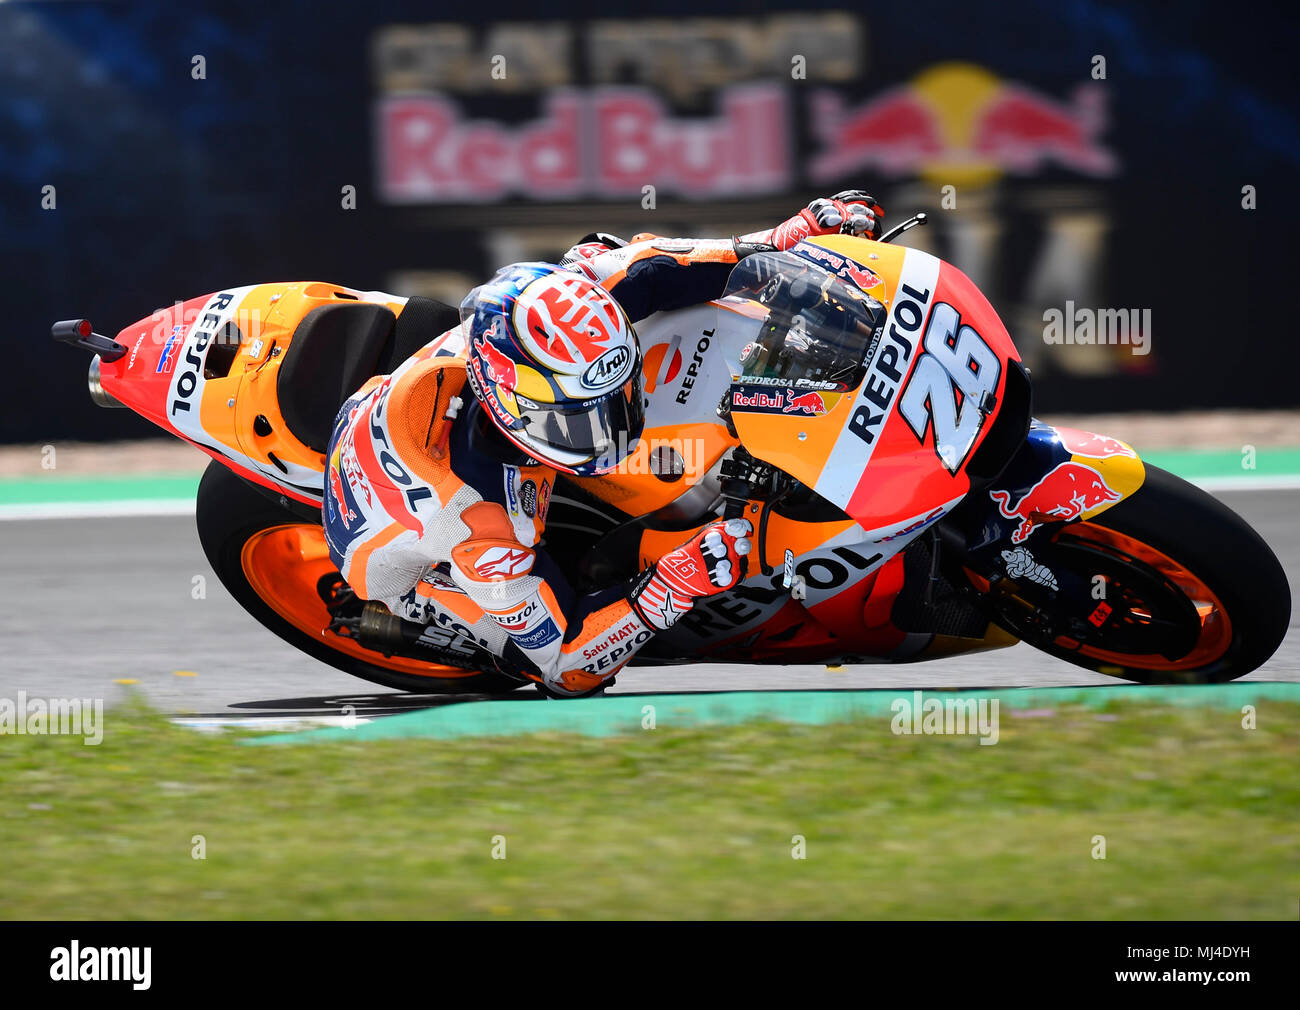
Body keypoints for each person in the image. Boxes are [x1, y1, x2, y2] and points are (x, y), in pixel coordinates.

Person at [322, 191, 884, 696]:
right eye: (580, 422)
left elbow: (652, 264)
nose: (612, 430)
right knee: (518, 645)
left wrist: (780, 241)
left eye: (617, 400)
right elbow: (565, 667)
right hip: (402, 545)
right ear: (514, 411)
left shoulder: (563, 297)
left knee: (607, 249)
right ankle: (425, 614)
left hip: (419, 406)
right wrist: (668, 588)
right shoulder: (480, 524)